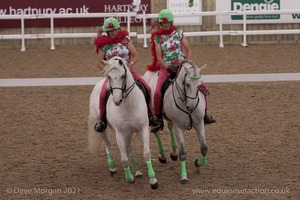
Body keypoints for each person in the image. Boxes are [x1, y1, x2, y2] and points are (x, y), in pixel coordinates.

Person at [146, 9, 216, 130]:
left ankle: (204, 113)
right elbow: (159, 58)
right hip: (166, 67)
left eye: (168, 22)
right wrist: (168, 68)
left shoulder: (178, 32)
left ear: (171, 22)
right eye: (164, 23)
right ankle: (158, 118)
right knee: (157, 92)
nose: (166, 24)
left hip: (182, 65)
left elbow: (188, 49)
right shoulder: (158, 37)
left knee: (202, 85)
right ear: (161, 24)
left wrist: (186, 63)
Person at [93, 17, 162, 133]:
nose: (113, 33)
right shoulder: (103, 44)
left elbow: (135, 55)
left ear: (118, 29)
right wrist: (108, 71)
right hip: (113, 74)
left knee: (147, 88)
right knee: (102, 94)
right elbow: (99, 62)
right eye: (111, 31)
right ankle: (102, 120)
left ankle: (150, 116)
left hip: (129, 71)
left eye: (115, 30)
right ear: (107, 31)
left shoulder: (125, 40)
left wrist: (130, 64)